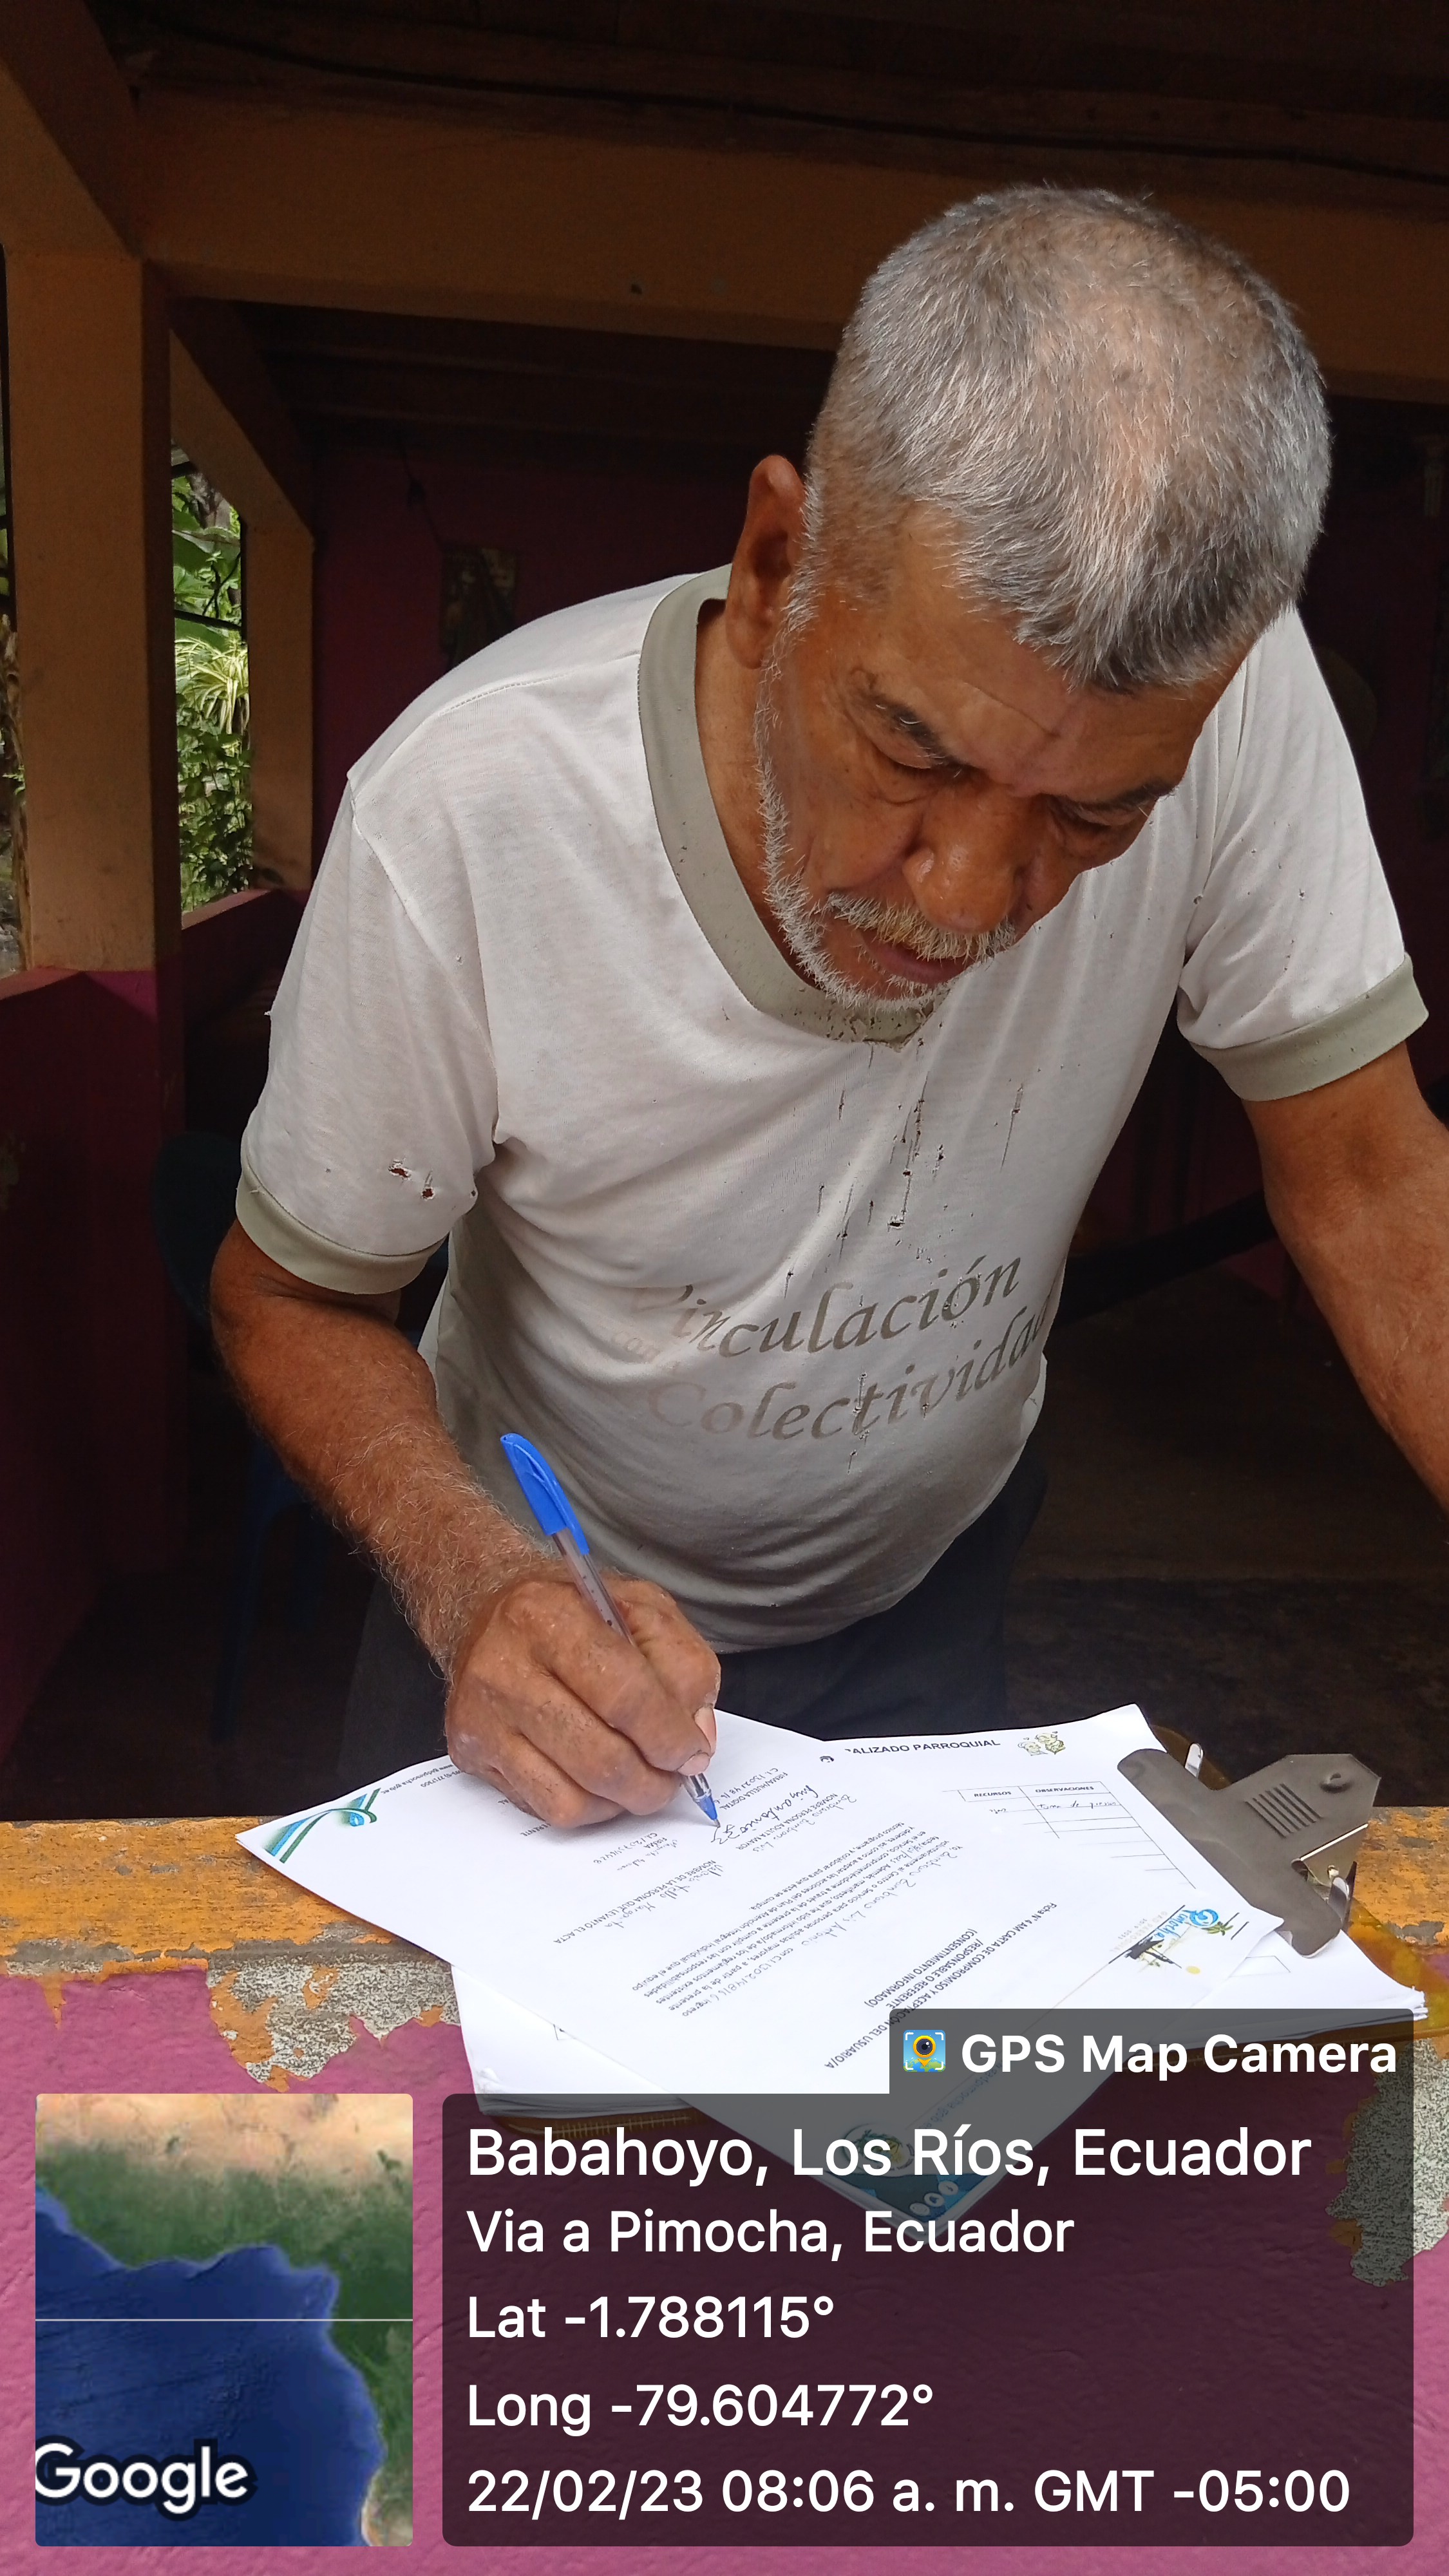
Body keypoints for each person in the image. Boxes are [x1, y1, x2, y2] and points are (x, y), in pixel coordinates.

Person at [213, 187, 1448, 1828]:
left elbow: (1371, 1178)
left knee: (918, 2000)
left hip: (923, 1593)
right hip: (537, 1620)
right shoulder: (469, 811)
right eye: (914, 752)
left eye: (1097, 817)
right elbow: (290, 1298)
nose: (969, 898)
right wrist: (473, 1581)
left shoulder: (1233, 699)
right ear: (778, 561)